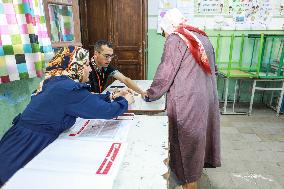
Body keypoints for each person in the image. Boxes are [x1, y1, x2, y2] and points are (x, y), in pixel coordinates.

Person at [0, 46, 134, 187]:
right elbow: (106, 111)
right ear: (75, 65)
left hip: (18, 139)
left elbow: (84, 100)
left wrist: (111, 95)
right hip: (25, 148)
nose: (89, 70)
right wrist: (125, 101)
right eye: (86, 65)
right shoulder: (67, 89)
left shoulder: (57, 81)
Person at [143, 8, 221, 189]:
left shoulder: (176, 38)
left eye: (163, 32)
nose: (164, 36)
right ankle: (193, 174)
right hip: (206, 96)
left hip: (188, 100)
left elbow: (166, 72)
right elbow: (213, 68)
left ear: (168, 26)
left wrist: (151, 93)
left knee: (185, 140)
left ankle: (189, 182)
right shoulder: (201, 36)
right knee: (198, 138)